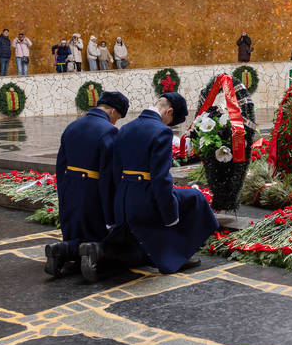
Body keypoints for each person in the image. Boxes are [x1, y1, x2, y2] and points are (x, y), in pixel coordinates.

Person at [85, 92, 217, 281]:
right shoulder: (161, 131)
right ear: (168, 112)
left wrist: (112, 213)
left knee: (178, 198)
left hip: (123, 203)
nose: (168, 126)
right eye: (170, 122)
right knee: (195, 199)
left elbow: (113, 174)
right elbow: (160, 180)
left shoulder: (125, 128)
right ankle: (176, 256)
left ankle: (103, 250)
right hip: (144, 202)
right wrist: (171, 216)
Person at [44, 91, 130, 277]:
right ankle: (76, 252)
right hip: (93, 194)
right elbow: (108, 176)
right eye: (118, 118)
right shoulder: (109, 131)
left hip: (70, 190)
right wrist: (111, 216)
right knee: (100, 241)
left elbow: (60, 166)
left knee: (78, 235)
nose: (116, 123)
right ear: (113, 112)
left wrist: (63, 196)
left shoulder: (72, 127)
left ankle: (61, 249)